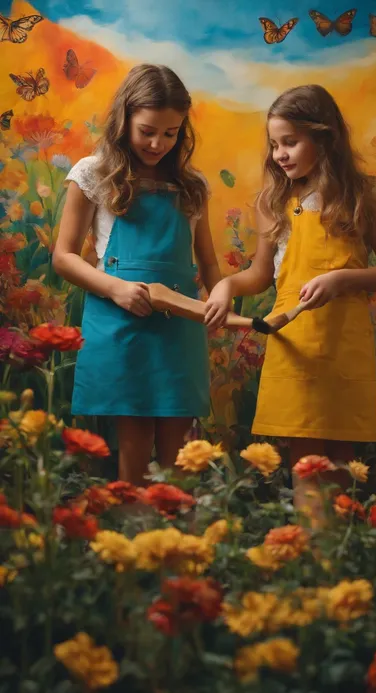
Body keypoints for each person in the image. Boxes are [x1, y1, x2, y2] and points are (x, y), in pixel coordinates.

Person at [205, 84, 376, 521]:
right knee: (305, 460)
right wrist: (225, 286)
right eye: (274, 144)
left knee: (341, 458)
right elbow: (260, 275)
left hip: (343, 345)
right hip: (292, 343)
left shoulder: (358, 196)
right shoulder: (272, 202)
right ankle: (313, 560)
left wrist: (341, 279)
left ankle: (336, 561)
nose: (279, 154)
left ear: (325, 137)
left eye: (290, 142)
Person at [53, 64, 223, 484]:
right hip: (121, 322)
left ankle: (176, 544)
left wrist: (220, 300)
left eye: (170, 133)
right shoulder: (93, 173)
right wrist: (116, 289)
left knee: (178, 457)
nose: (158, 143)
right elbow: (64, 256)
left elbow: (209, 264)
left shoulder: (192, 185)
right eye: (147, 130)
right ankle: (133, 546)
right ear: (123, 118)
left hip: (179, 326)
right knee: (131, 450)